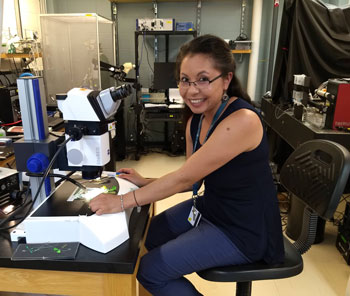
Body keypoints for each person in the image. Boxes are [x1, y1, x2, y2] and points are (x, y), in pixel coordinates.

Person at [89, 34, 284, 296]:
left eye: (204, 79)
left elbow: (182, 179)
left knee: (150, 270)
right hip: (211, 208)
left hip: (242, 229)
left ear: (226, 79)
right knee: (145, 235)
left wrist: (122, 201)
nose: (191, 90)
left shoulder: (242, 121)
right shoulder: (196, 119)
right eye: (184, 80)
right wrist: (145, 182)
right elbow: (192, 178)